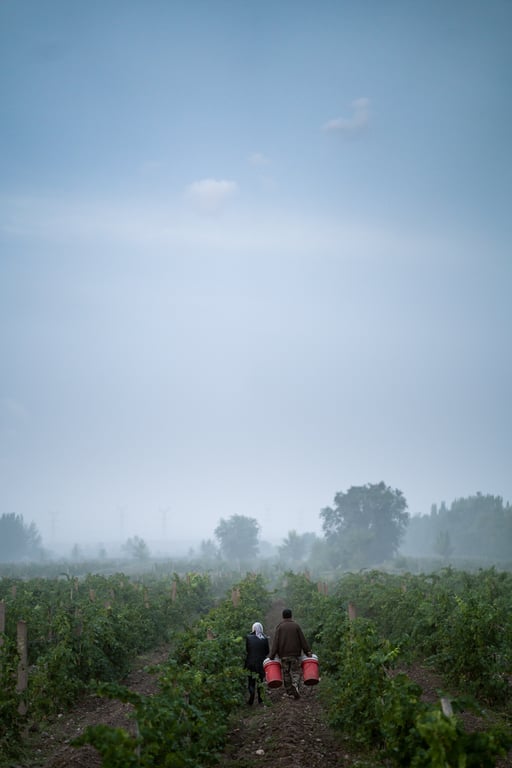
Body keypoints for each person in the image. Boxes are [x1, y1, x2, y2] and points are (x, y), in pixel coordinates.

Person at [269, 608, 312, 699]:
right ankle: (295, 685)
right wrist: (307, 651)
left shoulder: (279, 627)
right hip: (295, 655)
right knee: (296, 671)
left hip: (284, 655)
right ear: (291, 615)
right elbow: (302, 640)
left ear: (282, 616)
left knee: (286, 673)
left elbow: (276, 642)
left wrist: (272, 655)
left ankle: (289, 692)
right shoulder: (296, 626)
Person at [244, 621, 270, 705]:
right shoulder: (265, 639)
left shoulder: (248, 637)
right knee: (260, 681)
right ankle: (260, 699)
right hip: (261, 663)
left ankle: (251, 695)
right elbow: (267, 651)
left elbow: (247, 650)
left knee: (251, 681)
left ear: (253, 629)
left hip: (250, 662)